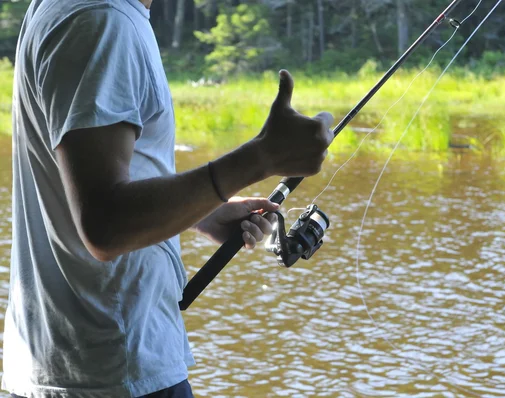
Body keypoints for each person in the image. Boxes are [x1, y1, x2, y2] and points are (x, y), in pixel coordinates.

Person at [2, 0, 334, 397]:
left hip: (70, 367)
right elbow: (105, 225)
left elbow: (94, 178)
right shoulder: (102, 20)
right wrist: (259, 158)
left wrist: (202, 213)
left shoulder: (75, 9)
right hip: (115, 371)